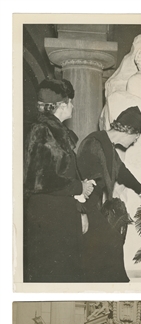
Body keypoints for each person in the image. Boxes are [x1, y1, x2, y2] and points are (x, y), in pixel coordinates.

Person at [24, 78, 94, 282]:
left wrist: (80, 207)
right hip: (48, 216)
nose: (73, 106)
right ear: (61, 105)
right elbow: (39, 179)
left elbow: (63, 174)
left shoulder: (55, 132)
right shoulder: (42, 131)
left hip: (59, 213)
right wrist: (80, 186)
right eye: (70, 102)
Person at [77, 106, 141, 282]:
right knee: (111, 241)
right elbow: (86, 186)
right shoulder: (94, 143)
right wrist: (84, 213)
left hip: (93, 206)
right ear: (129, 131)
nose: (134, 142)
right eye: (136, 137)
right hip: (84, 207)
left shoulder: (106, 145)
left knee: (113, 241)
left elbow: (121, 171)